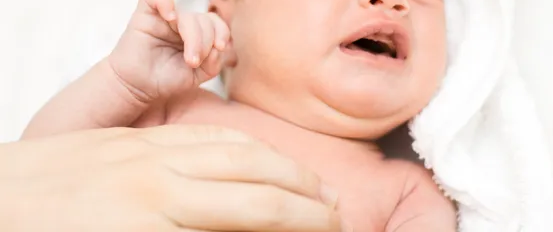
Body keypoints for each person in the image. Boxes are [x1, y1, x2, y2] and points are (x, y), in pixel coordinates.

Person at [23, 0, 456, 231]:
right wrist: (124, 83)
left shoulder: (407, 192)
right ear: (227, 30)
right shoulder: (173, 112)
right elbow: (40, 169)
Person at [3, 124, 342, 231]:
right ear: (228, 23)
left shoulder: (395, 178)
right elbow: (55, 153)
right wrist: (123, 82)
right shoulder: (178, 109)